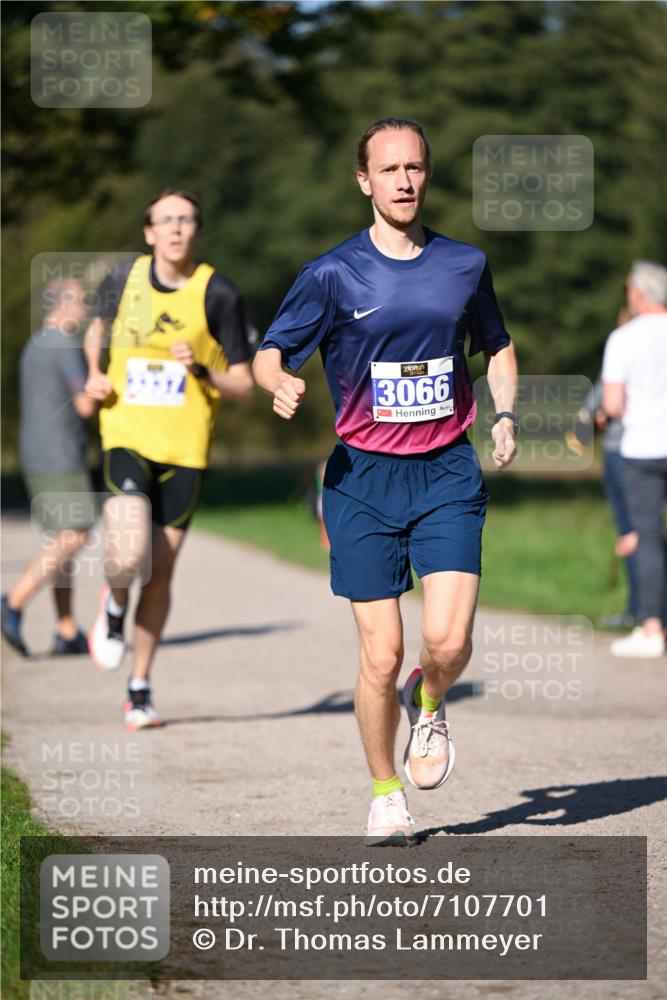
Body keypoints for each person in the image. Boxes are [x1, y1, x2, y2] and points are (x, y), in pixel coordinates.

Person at [254, 118, 518, 844]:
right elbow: (271, 350)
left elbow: (496, 344)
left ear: (426, 176)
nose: (404, 180)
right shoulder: (332, 273)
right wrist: (276, 381)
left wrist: (504, 414)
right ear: (363, 180)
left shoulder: (464, 264)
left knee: (447, 641)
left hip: (445, 471)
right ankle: (383, 793)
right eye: (389, 169)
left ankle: (427, 701)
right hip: (362, 478)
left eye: (415, 167)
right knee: (379, 652)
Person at [84, 189, 256, 729]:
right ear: (149, 232)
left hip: (185, 451)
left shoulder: (219, 294)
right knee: (129, 554)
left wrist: (203, 370)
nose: (176, 229)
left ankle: (139, 688)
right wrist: (93, 368)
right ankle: (113, 608)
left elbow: (246, 385)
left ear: (196, 231)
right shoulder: (124, 277)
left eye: (186, 220)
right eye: (166, 220)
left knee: (159, 577)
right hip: (126, 434)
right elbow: (96, 326)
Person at [1, 279, 97, 657]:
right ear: (60, 304)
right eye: (80, 300)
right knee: (75, 535)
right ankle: (14, 601)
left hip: (36, 456)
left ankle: (66, 628)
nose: (86, 307)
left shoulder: (35, 344)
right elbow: (86, 405)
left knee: (59, 540)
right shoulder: (66, 346)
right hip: (61, 456)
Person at [602, 260, 667, 659]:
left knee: (646, 538)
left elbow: (612, 403)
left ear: (638, 295)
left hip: (642, 447)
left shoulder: (624, 338)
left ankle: (652, 629)